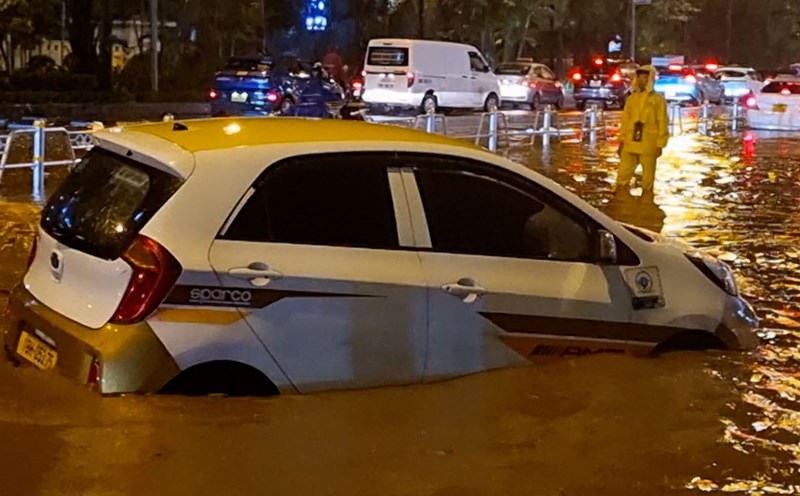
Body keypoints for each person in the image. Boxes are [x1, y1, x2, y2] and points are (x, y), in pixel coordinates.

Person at [616, 65, 669, 196]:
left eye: (645, 77)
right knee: (622, 177)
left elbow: (662, 121)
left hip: (649, 144)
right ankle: (621, 205)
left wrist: (660, 144)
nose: (641, 80)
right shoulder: (632, 99)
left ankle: (646, 206)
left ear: (650, 79)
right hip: (630, 143)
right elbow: (625, 121)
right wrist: (621, 142)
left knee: (647, 180)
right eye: (639, 77)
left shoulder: (658, 100)